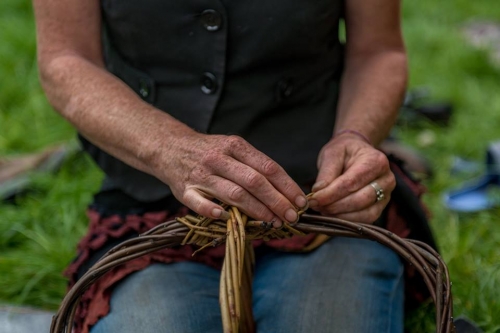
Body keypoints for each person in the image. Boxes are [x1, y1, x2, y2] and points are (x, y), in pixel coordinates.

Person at [33, 0, 428, 332]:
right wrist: (169, 148)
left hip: (319, 207)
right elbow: (66, 60)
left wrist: (355, 135)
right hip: (155, 208)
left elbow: (378, 53)